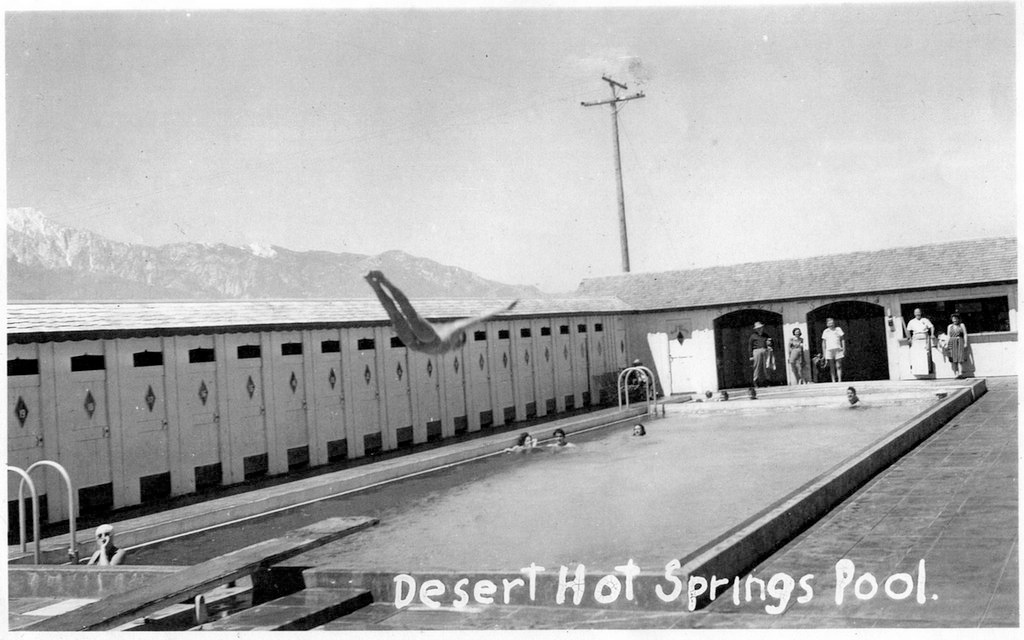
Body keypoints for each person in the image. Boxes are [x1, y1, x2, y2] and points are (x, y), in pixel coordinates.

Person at [365, 271, 518, 355]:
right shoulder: (455, 331)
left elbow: (480, 318)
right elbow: (479, 318)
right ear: (459, 339)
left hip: (421, 340)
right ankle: (377, 284)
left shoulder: (448, 333)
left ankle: (380, 282)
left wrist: (504, 308)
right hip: (417, 343)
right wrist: (504, 308)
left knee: (405, 310)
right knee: (397, 314)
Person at [906, 308, 935, 376]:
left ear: (921, 313)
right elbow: (908, 330)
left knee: (925, 354)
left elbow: (932, 327)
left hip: (924, 338)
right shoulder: (911, 321)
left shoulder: (925, 320)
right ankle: (917, 371)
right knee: (916, 354)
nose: (917, 314)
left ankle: (927, 370)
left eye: (919, 312)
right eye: (916, 313)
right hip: (916, 338)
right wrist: (909, 338)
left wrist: (932, 334)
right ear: (914, 314)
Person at [820, 317, 846, 383]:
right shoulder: (825, 331)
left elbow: (842, 339)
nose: (831, 324)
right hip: (829, 350)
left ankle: (839, 380)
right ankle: (833, 380)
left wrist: (844, 348)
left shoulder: (838, 329)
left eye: (832, 323)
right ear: (827, 324)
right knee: (831, 366)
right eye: (829, 323)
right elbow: (824, 343)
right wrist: (824, 353)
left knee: (839, 365)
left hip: (838, 349)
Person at [748, 321, 772, 387]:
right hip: (756, 351)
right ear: (755, 329)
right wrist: (751, 356)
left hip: (765, 350)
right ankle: (756, 381)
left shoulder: (766, 335)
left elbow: (770, 343)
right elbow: (750, 346)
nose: (759, 329)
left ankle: (767, 381)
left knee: (766, 366)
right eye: (758, 328)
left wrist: (770, 346)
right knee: (757, 366)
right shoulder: (753, 336)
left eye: (760, 328)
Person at [945, 313, 969, 378]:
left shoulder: (961, 325)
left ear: (958, 319)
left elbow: (965, 334)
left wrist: (965, 343)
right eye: (953, 319)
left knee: (960, 358)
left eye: (956, 318)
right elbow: (948, 336)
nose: (954, 320)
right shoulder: (950, 326)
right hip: (952, 342)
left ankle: (961, 372)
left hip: (960, 341)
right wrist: (947, 344)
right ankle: (956, 373)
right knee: (953, 358)